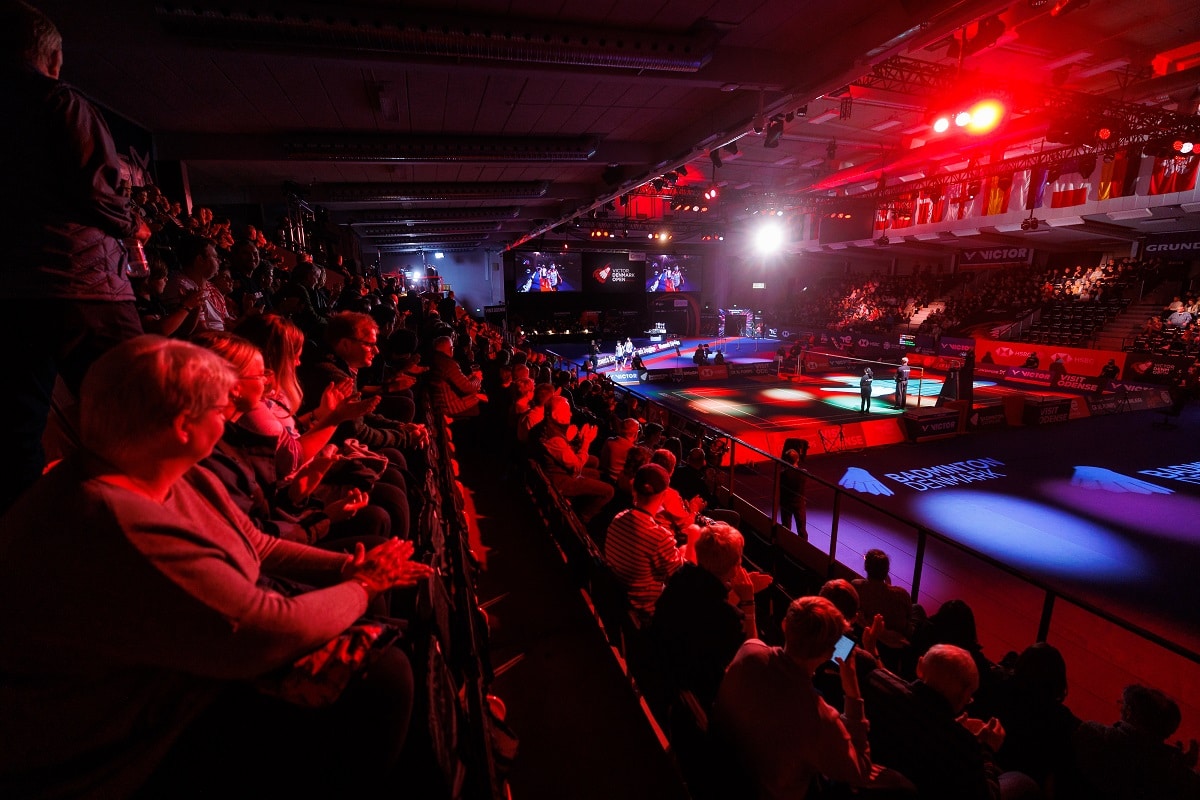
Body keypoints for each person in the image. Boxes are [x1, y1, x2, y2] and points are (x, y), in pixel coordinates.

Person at [0, 335, 432, 797]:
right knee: (385, 681)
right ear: (183, 425)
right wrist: (364, 586)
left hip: (176, 675)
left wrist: (347, 571)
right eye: (220, 409)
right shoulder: (113, 522)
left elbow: (257, 546)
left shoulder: (159, 468)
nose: (230, 417)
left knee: (383, 638)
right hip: (121, 747)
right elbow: (260, 632)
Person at [0, 0, 152, 511]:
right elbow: (98, 189)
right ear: (53, 57)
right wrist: (134, 223)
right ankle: (143, 533)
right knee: (138, 410)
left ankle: (27, 549)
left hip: (12, 293)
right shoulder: (57, 100)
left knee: (17, 434)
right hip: (81, 285)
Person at [712, 596, 882, 799]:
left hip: (723, 776)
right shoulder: (821, 719)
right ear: (831, 652)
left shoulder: (749, 650)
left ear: (785, 625)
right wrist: (853, 692)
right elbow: (861, 772)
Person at [865, 644, 1029, 800]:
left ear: (920, 668)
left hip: (875, 780)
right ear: (965, 694)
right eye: (969, 697)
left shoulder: (876, 682)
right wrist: (986, 749)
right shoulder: (962, 746)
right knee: (1022, 782)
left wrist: (951, 726)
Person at [1071, 684, 1200, 800]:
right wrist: (1183, 767)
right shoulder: (1174, 773)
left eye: (1122, 704)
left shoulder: (1092, 734)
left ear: (1128, 713)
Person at [604, 463, 696, 619]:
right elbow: (686, 578)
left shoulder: (618, 518)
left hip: (617, 602)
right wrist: (693, 538)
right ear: (664, 495)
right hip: (646, 614)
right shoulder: (658, 536)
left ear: (634, 489)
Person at [779, 448, 807, 537]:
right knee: (801, 528)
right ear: (797, 459)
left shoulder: (783, 474)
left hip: (786, 503)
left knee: (786, 527)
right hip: (799, 503)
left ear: (786, 460)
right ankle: (803, 546)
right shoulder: (804, 473)